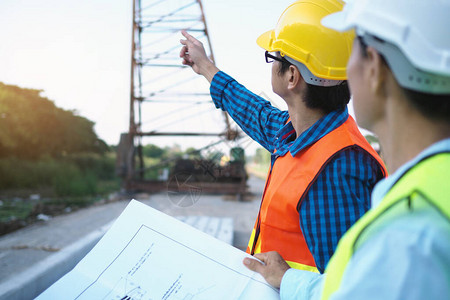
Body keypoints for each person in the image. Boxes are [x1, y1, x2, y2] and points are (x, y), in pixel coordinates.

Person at [243, 0, 450, 299]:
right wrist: (289, 280)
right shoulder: (429, 193)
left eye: (351, 55)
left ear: (374, 69)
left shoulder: (408, 233)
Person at [180, 0, 386, 274]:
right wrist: (205, 66)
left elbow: (348, 285)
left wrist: (287, 280)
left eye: (274, 56)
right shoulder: (299, 133)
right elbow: (256, 112)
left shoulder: (335, 169)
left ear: (292, 76)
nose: (270, 61)